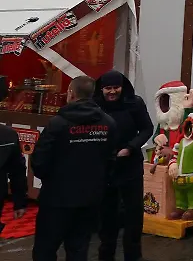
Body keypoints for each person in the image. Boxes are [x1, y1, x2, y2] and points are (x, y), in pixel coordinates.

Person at [31, 76, 117, 261]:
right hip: (90, 199)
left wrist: (52, 181)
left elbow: (39, 161)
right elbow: (111, 160)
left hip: (56, 200)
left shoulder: (57, 123)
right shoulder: (108, 123)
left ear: (71, 93)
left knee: (45, 250)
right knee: (79, 249)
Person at [94, 71, 154, 261]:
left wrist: (131, 147)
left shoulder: (134, 103)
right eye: (108, 88)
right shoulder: (95, 105)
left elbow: (147, 128)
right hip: (105, 168)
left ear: (122, 86)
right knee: (107, 215)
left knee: (133, 214)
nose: (112, 92)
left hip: (130, 165)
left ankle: (133, 256)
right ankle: (106, 255)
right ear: (101, 89)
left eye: (115, 88)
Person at [0, 80, 28, 230]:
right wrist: (20, 202)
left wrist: (20, 201)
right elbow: (17, 171)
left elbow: (17, 170)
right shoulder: (8, 135)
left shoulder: (8, 136)